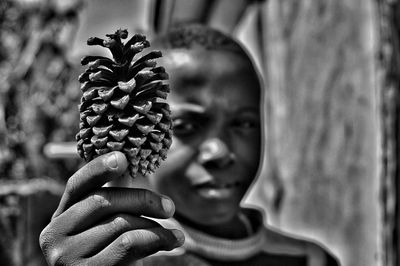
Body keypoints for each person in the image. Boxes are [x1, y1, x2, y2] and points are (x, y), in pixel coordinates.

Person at [39, 24, 339, 266]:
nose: (219, 152)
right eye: (187, 126)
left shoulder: (311, 260)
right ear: (139, 138)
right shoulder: (117, 258)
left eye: (243, 123)